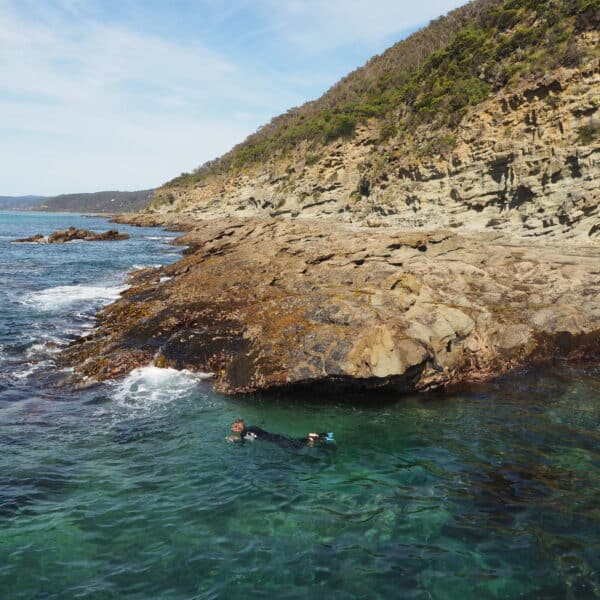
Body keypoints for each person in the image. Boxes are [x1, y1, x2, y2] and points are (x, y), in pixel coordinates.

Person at [227, 418, 334, 448]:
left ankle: (311, 438)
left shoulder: (243, 434)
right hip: (276, 436)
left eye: (233, 430)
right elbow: (257, 434)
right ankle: (313, 437)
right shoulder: (252, 427)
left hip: (274, 440)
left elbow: (249, 440)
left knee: (296, 447)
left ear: (237, 429)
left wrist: (234, 440)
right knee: (295, 442)